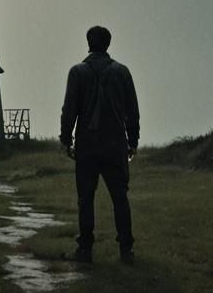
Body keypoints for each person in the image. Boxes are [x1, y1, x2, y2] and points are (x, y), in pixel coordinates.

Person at [60, 25, 140, 264]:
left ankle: (85, 250)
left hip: (87, 145)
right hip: (115, 144)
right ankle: (126, 251)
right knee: (120, 198)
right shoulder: (122, 72)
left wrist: (65, 139)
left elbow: (70, 109)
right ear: (108, 44)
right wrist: (132, 141)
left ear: (88, 42)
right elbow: (132, 111)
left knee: (85, 199)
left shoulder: (77, 72)